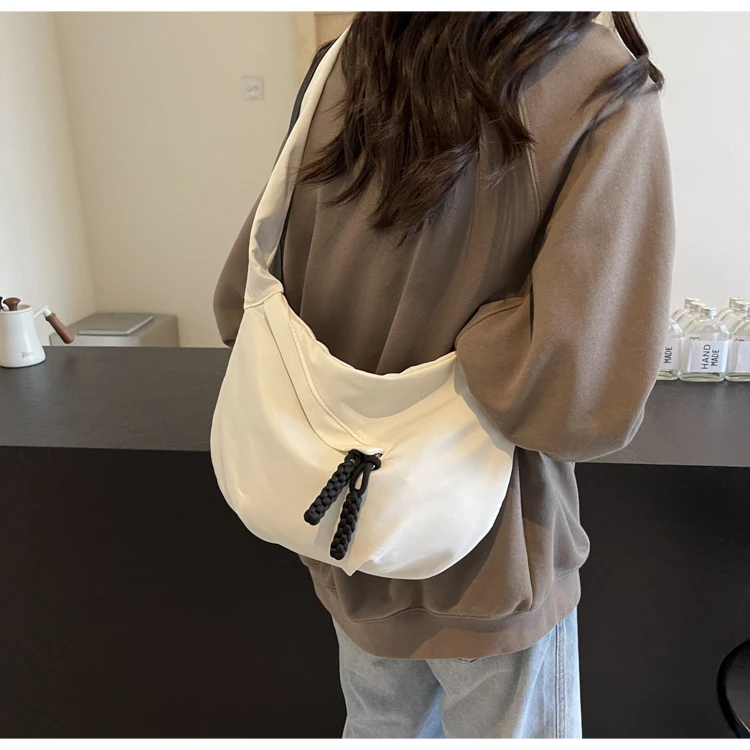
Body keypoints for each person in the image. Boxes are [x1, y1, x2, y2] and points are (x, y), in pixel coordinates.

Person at [213, 11, 674, 739]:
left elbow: (243, 298)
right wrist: (478, 338)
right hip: (493, 551)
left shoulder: (351, 57)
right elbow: (576, 393)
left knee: (378, 727)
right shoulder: (599, 82)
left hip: (349, 530)